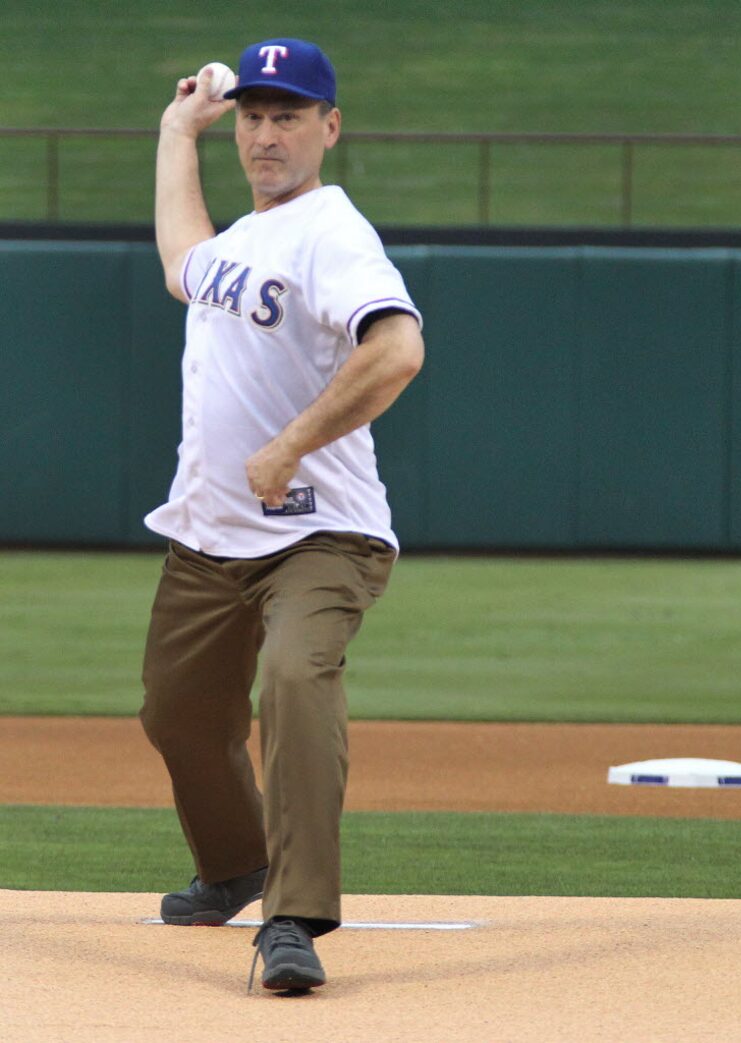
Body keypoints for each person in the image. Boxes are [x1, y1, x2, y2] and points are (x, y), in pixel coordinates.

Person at [139, 37, 424, 993]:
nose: (265, 133)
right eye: (255, 116)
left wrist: (292, 441)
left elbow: (397, 350)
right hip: (208, 534)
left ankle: (294, 914)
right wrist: (180, 130)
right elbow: (185, 260)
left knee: (295, 680)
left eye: (288, 115)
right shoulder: (243, 242)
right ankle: (235, 864)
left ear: (329, 128)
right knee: (178, 713)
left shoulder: (332, 233)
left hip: (319, 531)